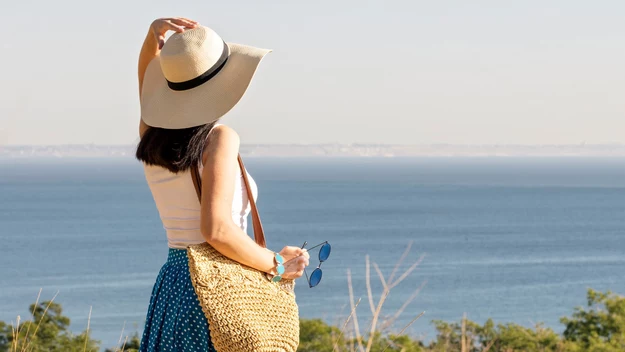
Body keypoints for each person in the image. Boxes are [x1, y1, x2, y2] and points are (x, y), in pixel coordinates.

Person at [135, 18, 310, 351]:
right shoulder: (219, 138)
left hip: (174, 284)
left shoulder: (151, 137)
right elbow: (216, 230)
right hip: (215, 289)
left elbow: (146, 90)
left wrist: (152, 42)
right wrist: (277, 264)